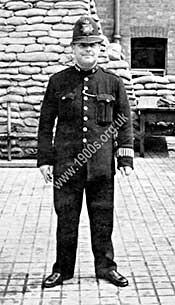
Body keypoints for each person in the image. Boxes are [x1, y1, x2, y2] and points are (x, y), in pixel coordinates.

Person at [37, 16, 134, 288]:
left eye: (92, 45)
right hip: (66, 166)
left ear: (99, 48)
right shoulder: (58, 82)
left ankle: (106, 268)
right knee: (66, 220)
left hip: (102, 167)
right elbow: (46, 123)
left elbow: (124, 121)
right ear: (73, 49)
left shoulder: (112, 83)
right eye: (82, 46)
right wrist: (45, 160)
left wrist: (124, 156)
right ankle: (62, 269)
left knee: (103, 220)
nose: (87, 50)